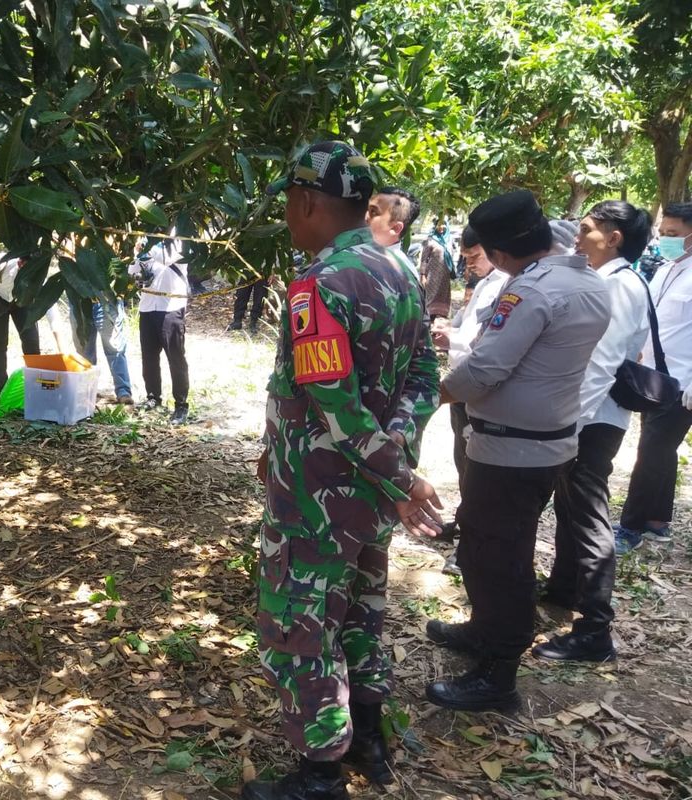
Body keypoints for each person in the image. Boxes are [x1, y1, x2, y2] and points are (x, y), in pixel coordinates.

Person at [243, 141, 442, 800]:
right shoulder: (401, 268)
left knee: (302, 626)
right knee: (361, 611)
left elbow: (335, 403)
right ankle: (371, 739)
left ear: (306, 203)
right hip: (369, 499)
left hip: (316, 498)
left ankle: (319, 774)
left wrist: (402, 477)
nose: (288, 219)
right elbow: (423, 374)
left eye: (288, 207)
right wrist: (399, 460)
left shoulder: (319, 283)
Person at [427, 190, 610, 712]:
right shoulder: (587, 281)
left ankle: (498, 674)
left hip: (508, 452)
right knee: (496, 549)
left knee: (496, 558)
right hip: (548, 444)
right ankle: (485, 632)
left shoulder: (529, 292)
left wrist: (432, 394)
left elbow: (485, 369)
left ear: (501, 252)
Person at [533, 201, 651, 662]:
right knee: (570, 505)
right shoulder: (606, 281)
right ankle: (564, 589)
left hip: (592, 420)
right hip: (587, 417)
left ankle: (595, 628)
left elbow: (600, 365)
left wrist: (568, 426)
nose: (577, 238)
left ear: (614, 237)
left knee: (587, 516)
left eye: (585, 230)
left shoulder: (619, 287)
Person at [614, 201, 692, 553]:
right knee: (661, 450)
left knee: (650, 452)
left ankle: (629, 527)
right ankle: (658, 520)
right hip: (654, 377)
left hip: (683, 382)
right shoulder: (665, 269)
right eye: (663, 234)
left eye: (674, 235)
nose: (665, 241)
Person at [428, 225, 508, 548]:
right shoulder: (484, 283)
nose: (469, 264)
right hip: (462, 382)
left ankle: (474, 537)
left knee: (476, 468)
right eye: (465, 258)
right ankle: (465, 524)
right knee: (463, 459)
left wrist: (454, 338)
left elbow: (490, 344)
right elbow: (467, 324)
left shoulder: (507, 285)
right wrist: (450, 328)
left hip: (478, 386)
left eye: (474, 257)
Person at [130, 238, 191, 424]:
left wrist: (144, 250)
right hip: (148, 306)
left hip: (171, 307)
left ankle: (181, 405)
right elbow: (133, 271)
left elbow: (167, 257)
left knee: (175, 357)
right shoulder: (145, 241)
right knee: (149, 356)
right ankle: (153, 396)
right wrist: (137, 258)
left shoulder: (178, 237)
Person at [0, 254, 45, 393]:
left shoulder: (37, 275)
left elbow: (49, 310)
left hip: (22, 301)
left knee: (31, 339)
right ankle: (1, 388)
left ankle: (35, 387)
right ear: (19, 263)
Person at [71, 296, 133, 404]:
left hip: (107, 301)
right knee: (84, 351)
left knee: (115, 348)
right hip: (80, 301)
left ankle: (123, 392)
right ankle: (87, 391)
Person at [365, 186, 421, 256]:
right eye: (366, 209)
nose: (365, 216)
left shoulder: (394, 266)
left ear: (395, 228)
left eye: (373, 212)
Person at [418, 218, 453, 321]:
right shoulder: (430, 240)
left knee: (443, 296)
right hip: (433, 276)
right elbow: (424, 259)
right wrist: (422, 274)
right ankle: (428, 318)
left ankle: (440, 317)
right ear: (435, 226)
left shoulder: (448, 240)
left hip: (445, 277)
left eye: (443, 225)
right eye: (439, 225)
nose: (441, 227)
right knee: (431, 296)